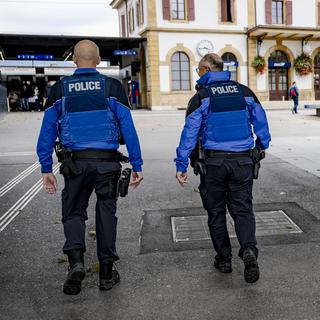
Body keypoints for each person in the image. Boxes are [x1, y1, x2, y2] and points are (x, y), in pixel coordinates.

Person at [37, 40, 143, 295]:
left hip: (74, 164)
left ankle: (76, 264)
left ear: (74, 60)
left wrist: (45, 167)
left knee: (73, 212)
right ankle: (106, 274)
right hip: (107, 164)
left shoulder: (60, 89)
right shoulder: (112, 86)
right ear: (98, 61)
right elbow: (127, 128)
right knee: (106, 212)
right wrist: (137, 163)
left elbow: (47, 131)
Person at [174, 53, 271, 284]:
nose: (198, 75)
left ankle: (224, 259)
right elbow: (261, 122)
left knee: (216, 212)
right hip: (243, 162)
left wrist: (181, 163)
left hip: (214, 164)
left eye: (198, 71)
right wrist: (261, 145)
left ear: (207, 70)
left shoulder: (202, 97)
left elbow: (189, 133)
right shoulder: (245, 92)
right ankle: (248, 250)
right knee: (243, 209)